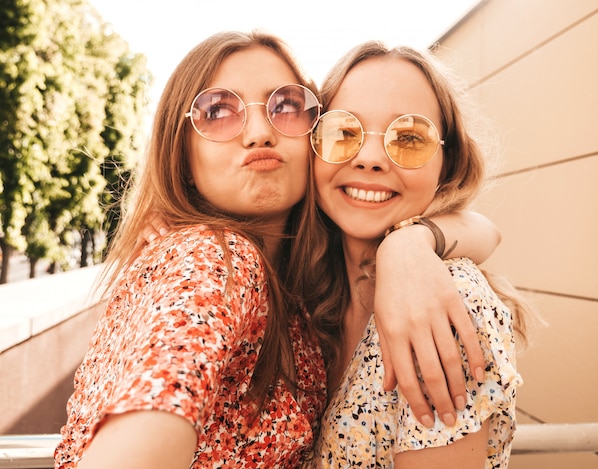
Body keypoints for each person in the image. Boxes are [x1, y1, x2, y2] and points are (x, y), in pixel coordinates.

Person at [54, 31, 501, 469]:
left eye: (286, 106)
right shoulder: (213, 260)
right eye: (217, 111)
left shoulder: (317, 294)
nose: (259, 133)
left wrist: (413, 242)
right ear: (180, 151)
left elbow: (484, 232)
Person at [304, 40, 534, 468]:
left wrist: (408, 241)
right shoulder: (306, 295)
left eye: (409, 137)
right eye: (344, 131)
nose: (370, 158)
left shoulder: (450, 303)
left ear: (446, 165)